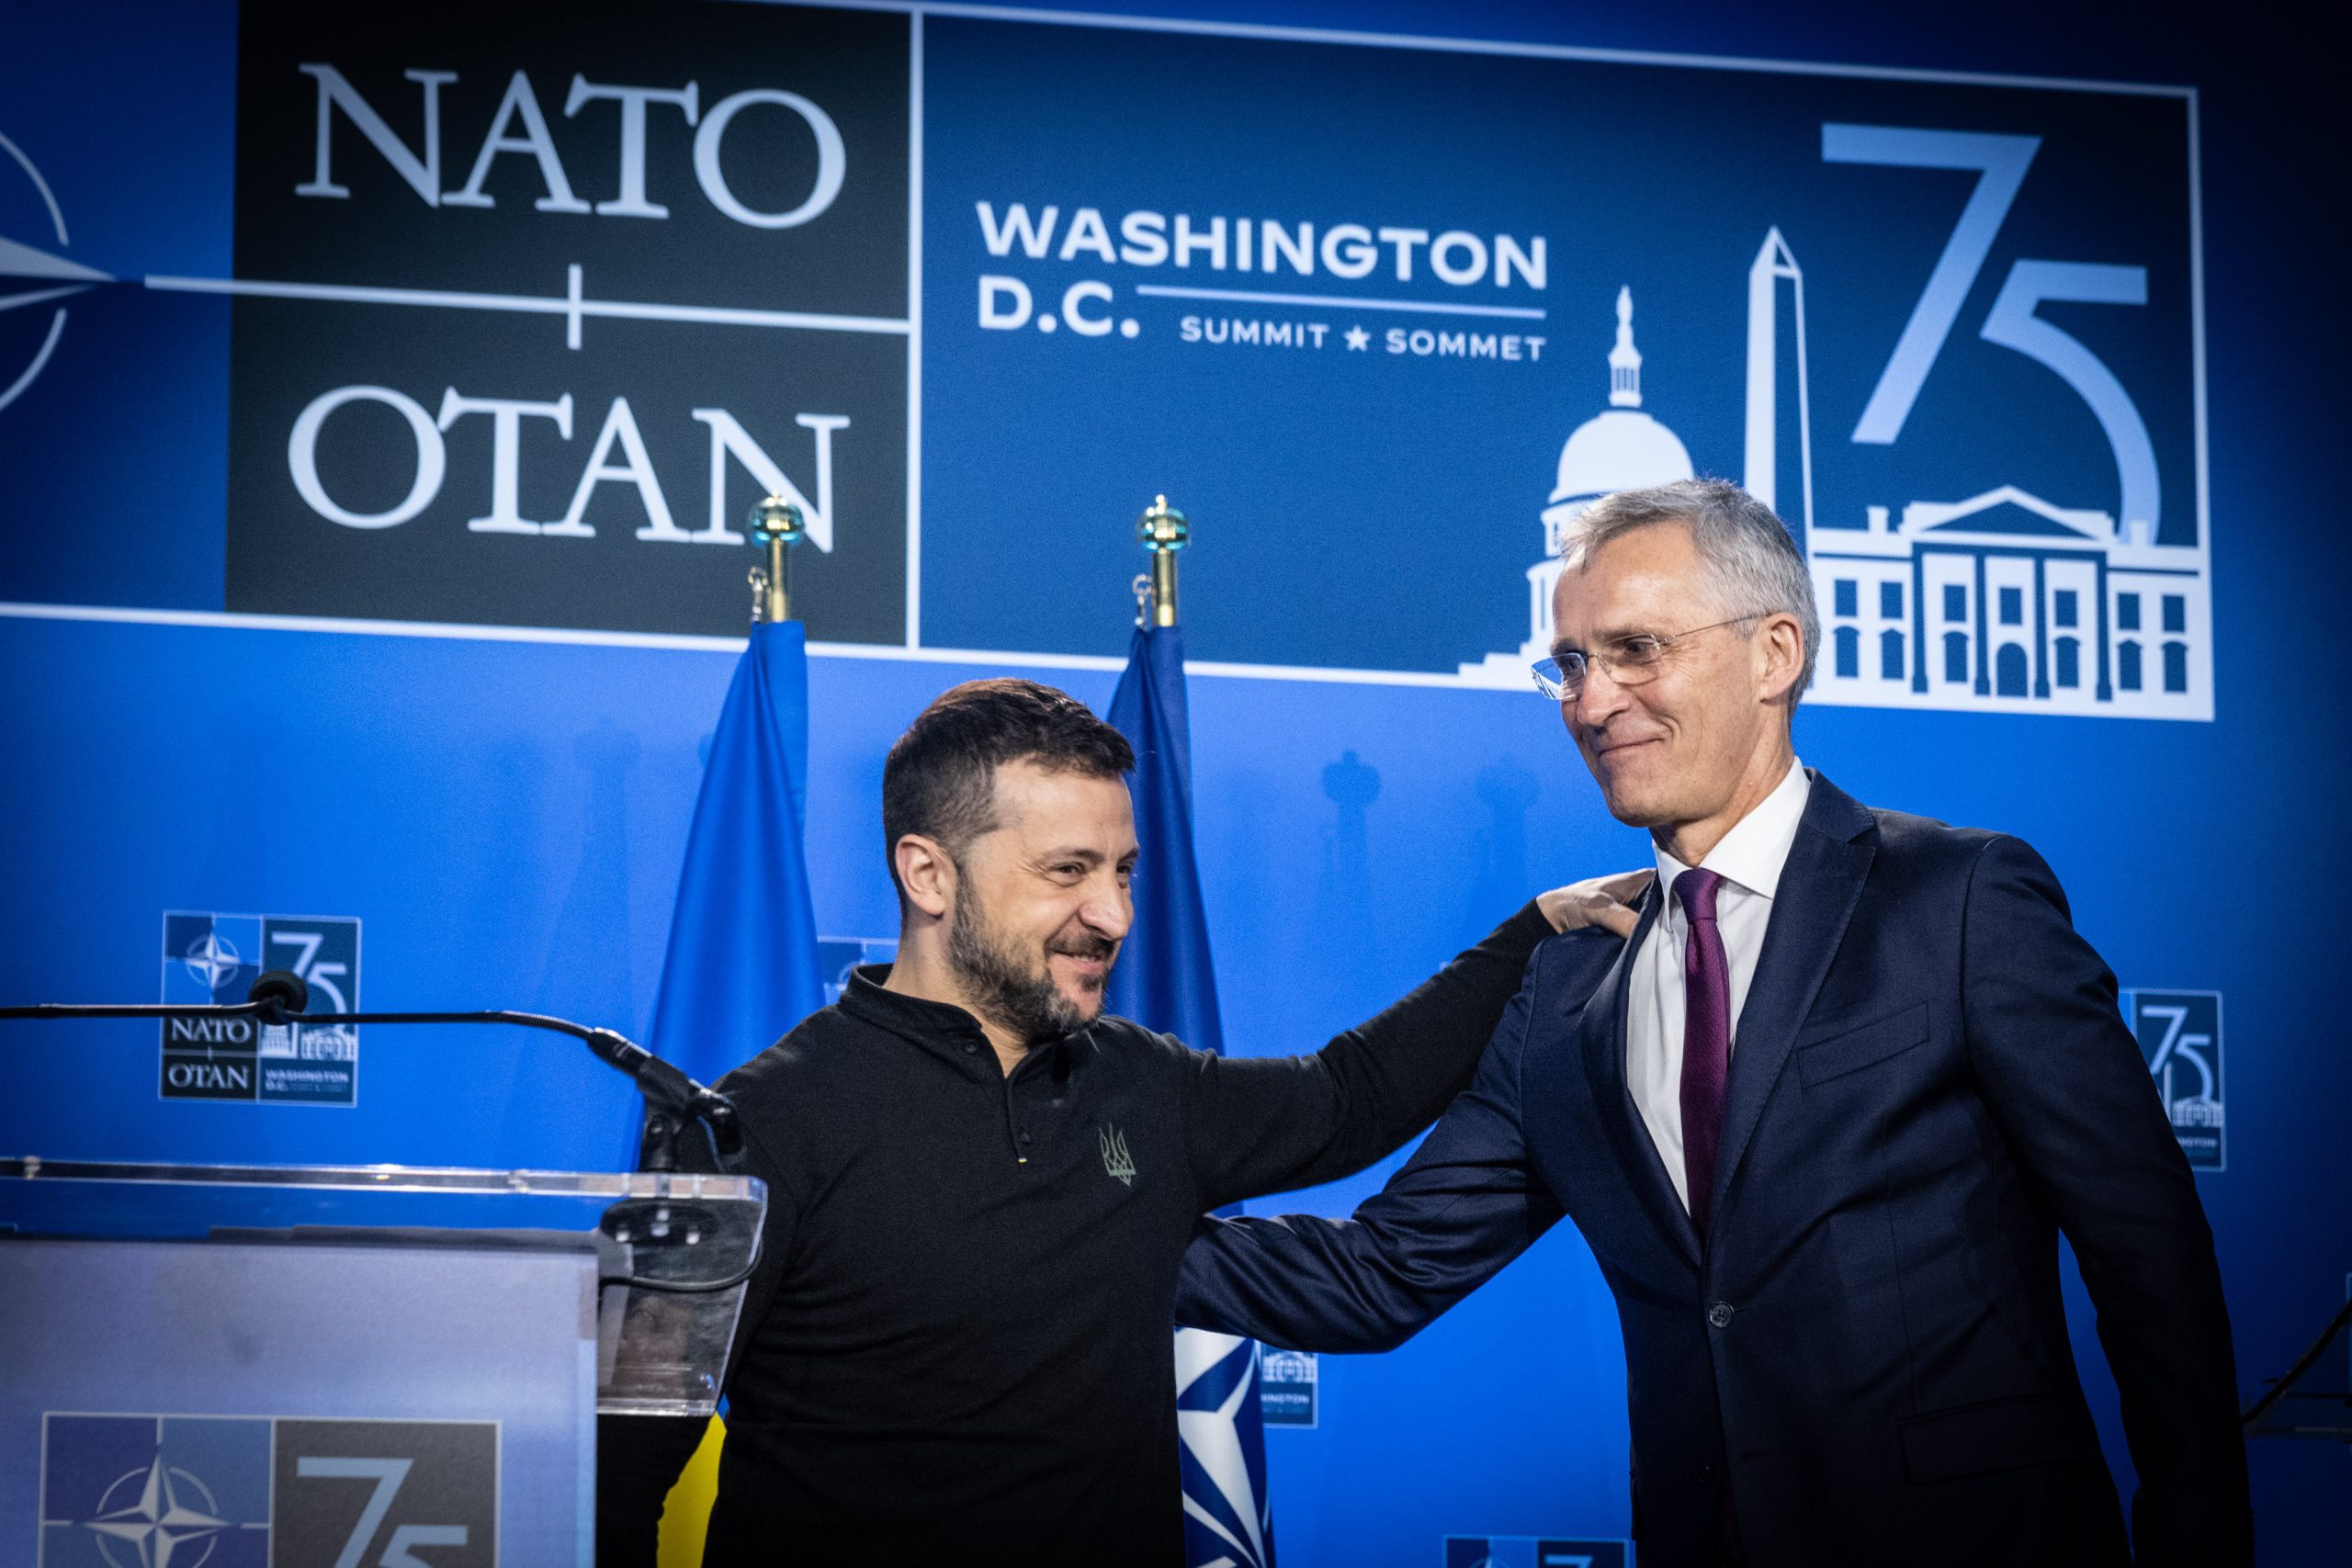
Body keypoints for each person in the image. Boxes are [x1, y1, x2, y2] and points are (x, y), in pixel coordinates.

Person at [1174, 479, 2253, 1567]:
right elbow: (1379, 1274)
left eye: (1636, 650)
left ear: (1774, 653)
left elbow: (2145, 1250)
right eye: (1571, 665)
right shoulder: (1563, 995)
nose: (1592, 703)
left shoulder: (1958, 899)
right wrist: (1088, 1232)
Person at [598, 677, 1634, 1565]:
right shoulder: (751, 1128)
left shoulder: (1143, 1085)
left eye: (1123, 870)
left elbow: (1348, 1098)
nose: (1114, 915)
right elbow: (614, 1473)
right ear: (928, 874)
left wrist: (1534, 935)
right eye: (1068, 871)